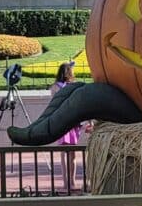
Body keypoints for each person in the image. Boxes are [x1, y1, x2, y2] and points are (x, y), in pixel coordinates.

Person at [51, 62, 83, 191]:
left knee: (63, 153)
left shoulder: (54, 87)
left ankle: (66, 183)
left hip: (60, 121)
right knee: (72, 154)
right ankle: (72, 182)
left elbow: (52, 105)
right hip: (72, 121)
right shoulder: (73, 87)